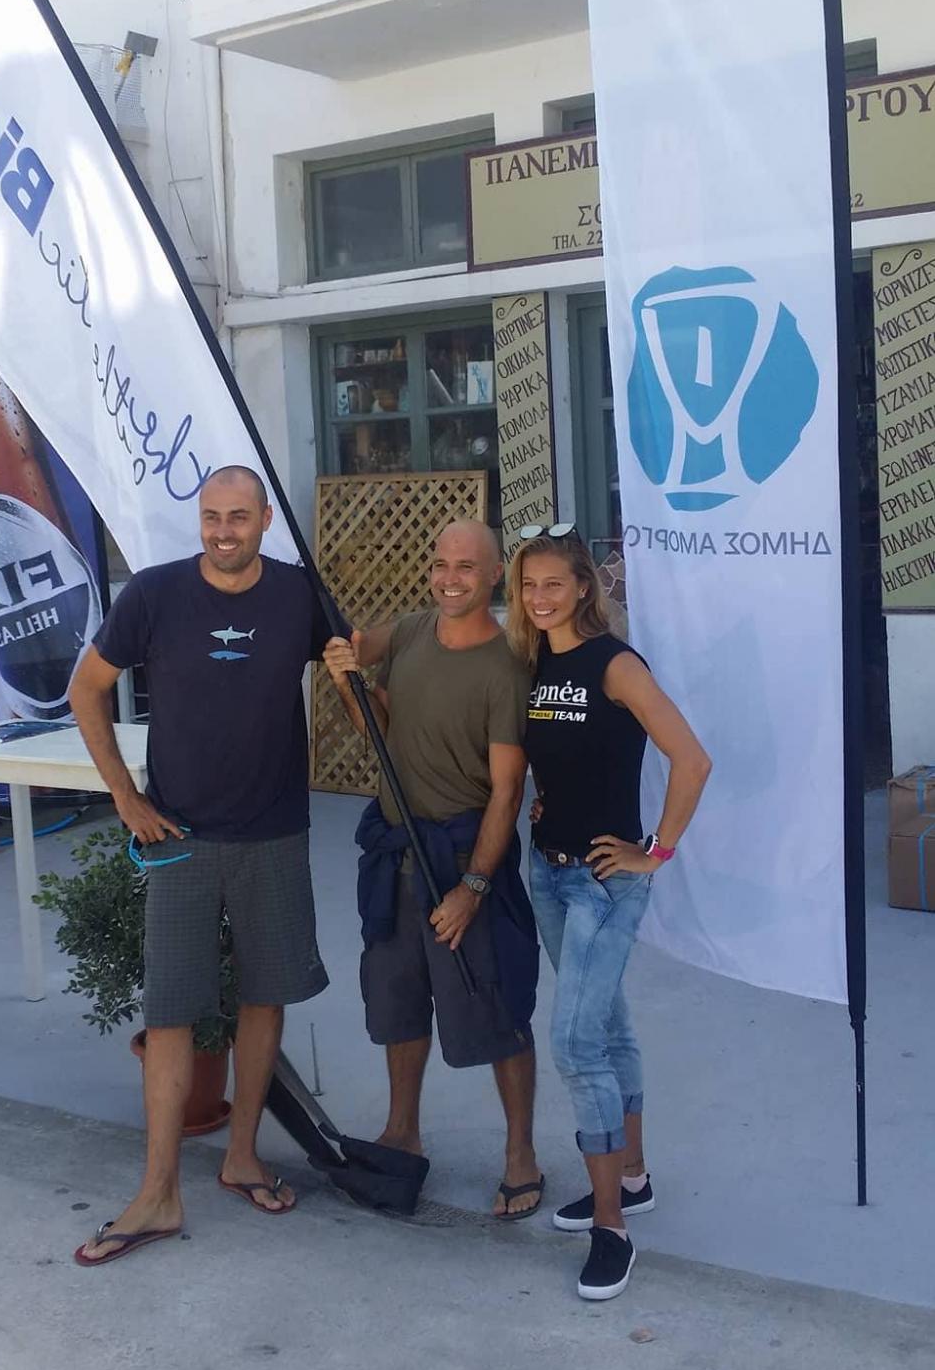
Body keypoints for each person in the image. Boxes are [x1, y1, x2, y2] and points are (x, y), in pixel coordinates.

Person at [68, 466, 330, 1264]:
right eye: (212, 516)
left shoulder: (298, 594)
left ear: (264, 522)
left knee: (263, 996)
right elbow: (86, 689)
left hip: (273, 830)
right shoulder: (154, 594)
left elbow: (352, 670)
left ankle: (241, 1155)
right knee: (171, 1011)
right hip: (177, 835)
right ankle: (157, 1193)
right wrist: (125, 797)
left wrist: (363, 675)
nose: (223, 531)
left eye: (238, 517)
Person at [507, 527, 711, 1301]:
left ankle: (610, 1228)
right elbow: (557, 757)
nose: (539, 598)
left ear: (583, 588)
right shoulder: (534, 663)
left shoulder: (615, 665)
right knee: (608, 1025)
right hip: (547, 870)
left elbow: (691, 759)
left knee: (575, 1045)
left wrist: (653, 851)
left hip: (601, 882)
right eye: (528, 585)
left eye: (553, 584)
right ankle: (631, 1176)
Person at [323, 521, 543, 1220]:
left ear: (495, 575)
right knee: (396, 1000)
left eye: (466, 568)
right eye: (440, 564)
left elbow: (507, 791)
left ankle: (520, 1153)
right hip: (395, 854)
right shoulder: (413, 631)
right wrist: (344, 667)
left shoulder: (505, 667)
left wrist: (473, 888)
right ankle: (402, 1130)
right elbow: (376, 717)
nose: (450, 579)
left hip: (461, 858)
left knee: (497, 1005)